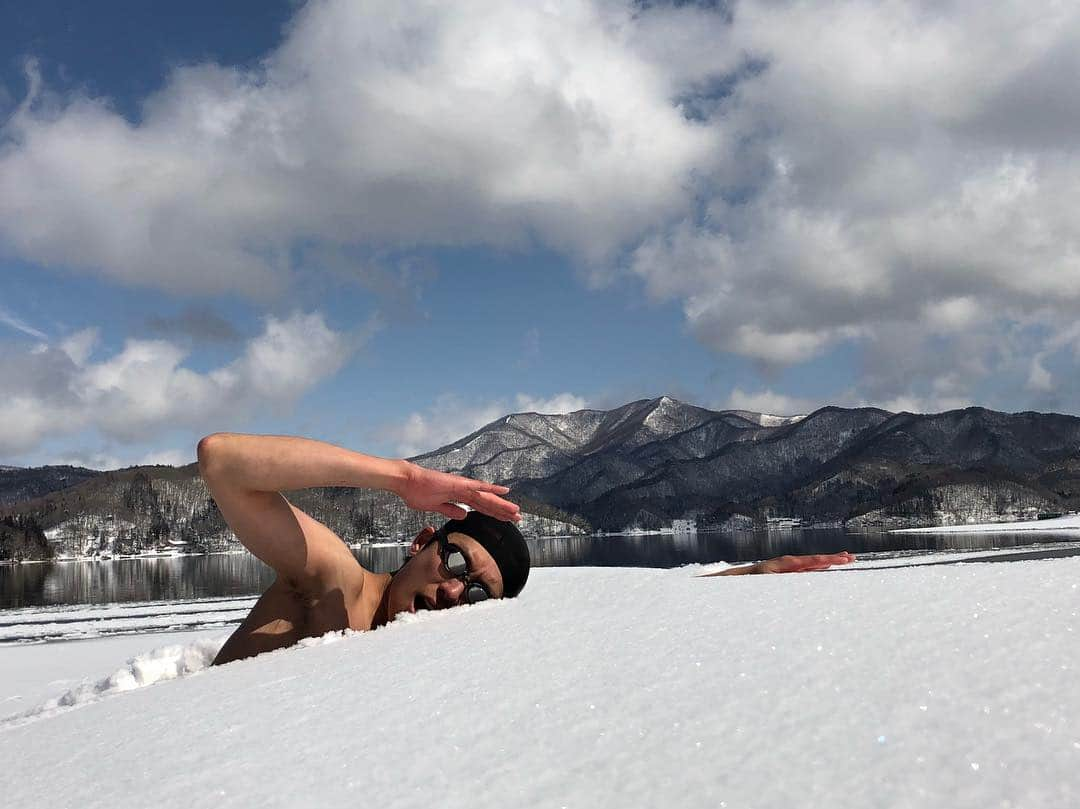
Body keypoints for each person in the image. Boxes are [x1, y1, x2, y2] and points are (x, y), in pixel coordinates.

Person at [197, 432, 854, 665]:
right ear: (429, 538)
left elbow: (597, 617)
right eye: (458, 564)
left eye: (476, 592)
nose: (455, 590)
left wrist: (749, 570)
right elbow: (222, 461)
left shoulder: (426, 643)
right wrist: (402, 478)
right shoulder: (332, 583)